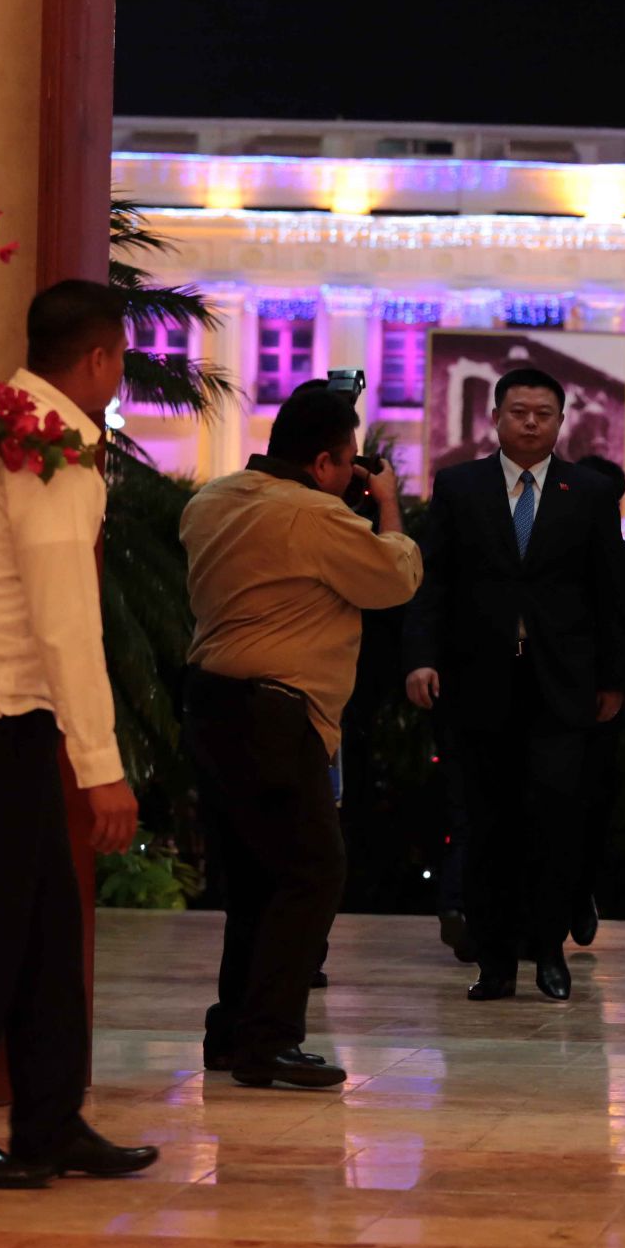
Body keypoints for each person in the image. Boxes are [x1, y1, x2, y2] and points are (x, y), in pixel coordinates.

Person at [0, 279, 156, 1188]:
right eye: (119, 359)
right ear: (94, 360)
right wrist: (102, 768)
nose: (119, 377)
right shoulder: (46, 453)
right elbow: (64, 621)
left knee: (46, 925)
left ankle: (51, 1120)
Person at [179, 387, 422, 1088]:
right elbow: (394, 576)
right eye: (348, 464)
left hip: (209, 705)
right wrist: (386, 505)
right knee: (313, 871)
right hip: (275, 715)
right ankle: (270, 1040)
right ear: (323, 462)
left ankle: (232, 1032)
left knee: (255, 880)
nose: (354, 474)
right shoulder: (313, 514)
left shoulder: (212, 501)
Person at [404, 368, 625, 1002]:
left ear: (561, 422)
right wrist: (422, 659)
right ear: (496, 418)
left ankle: (548, 953)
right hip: (479, 683)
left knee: (554, 822)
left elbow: (609, 593)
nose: (530, 422)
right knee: (486, 826)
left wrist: (613, 678)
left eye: (543, 413)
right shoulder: (459, 485)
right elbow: (435, 582)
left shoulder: (586, 491)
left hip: (562, 686)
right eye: (518, 411)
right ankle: (495, 960)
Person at [569, 453, 625, 948]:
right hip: (545, 691)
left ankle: (579, 892)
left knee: (593, 801)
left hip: (600, 696)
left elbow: (621, 631)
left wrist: (616, 687)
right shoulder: (539, 549)